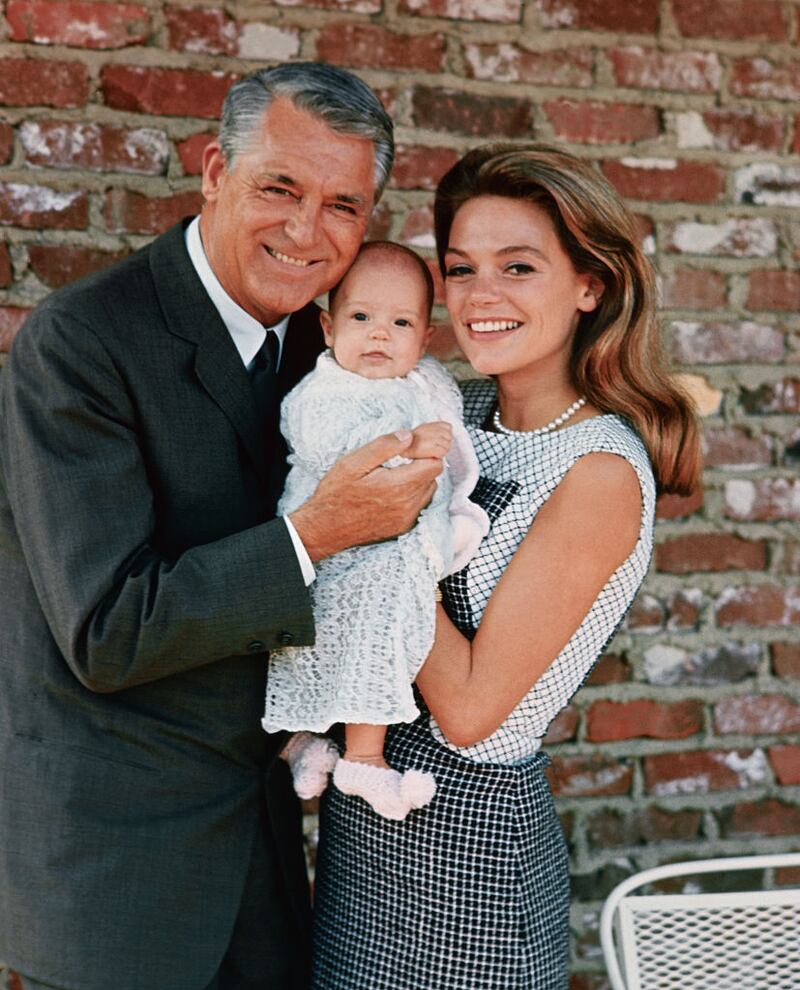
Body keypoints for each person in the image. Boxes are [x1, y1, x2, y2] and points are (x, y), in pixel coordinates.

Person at [0, 63, 447, 990]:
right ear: (213, 172)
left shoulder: (330, 347)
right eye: (278, 187)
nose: (305, 230)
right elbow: (107, 628)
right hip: (115, 880)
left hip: (265, 856)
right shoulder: (81, 344)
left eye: (342, 206)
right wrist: (321, 531)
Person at [312, 143, 701, 990]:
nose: (479, 297)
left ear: (588, 285)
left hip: (469, 845)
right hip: (367, 823)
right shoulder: (459, 406)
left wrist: (367, 537)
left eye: (518, 267)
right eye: (461, 269)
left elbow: (472, 710)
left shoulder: (597, 472)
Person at [263, 241, 489, 821]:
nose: (379, 335)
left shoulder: (424, 382)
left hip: (396, 547)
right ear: (328, 326)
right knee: (357, 643)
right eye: (361, 317)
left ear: (424, 339)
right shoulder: (326, 392)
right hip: (340, 551)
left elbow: (449, 430)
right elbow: (342, 455)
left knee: (380, 641)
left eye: (401, 322)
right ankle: (362, 757)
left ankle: (306, 745)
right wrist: (412, 446)